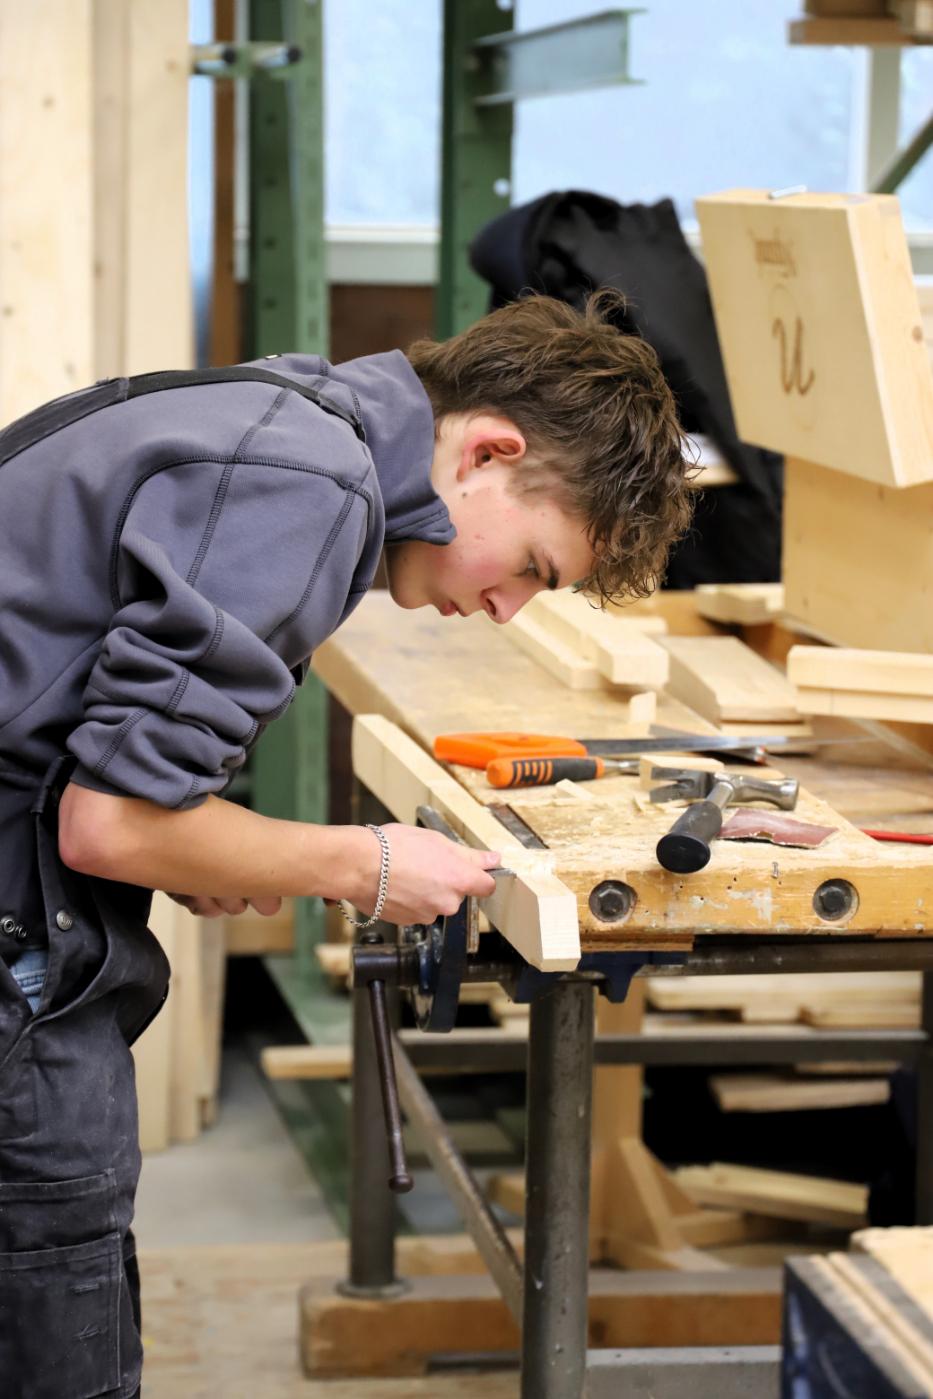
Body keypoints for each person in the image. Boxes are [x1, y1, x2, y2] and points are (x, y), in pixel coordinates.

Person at [0, 289, 690, 1397]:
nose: (509, 609)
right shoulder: (309, 483)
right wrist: (367, 863)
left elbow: (111, 781)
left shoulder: (284, 414)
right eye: (531, 567)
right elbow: (112, 822)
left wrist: (214, 848)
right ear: (487, 453)